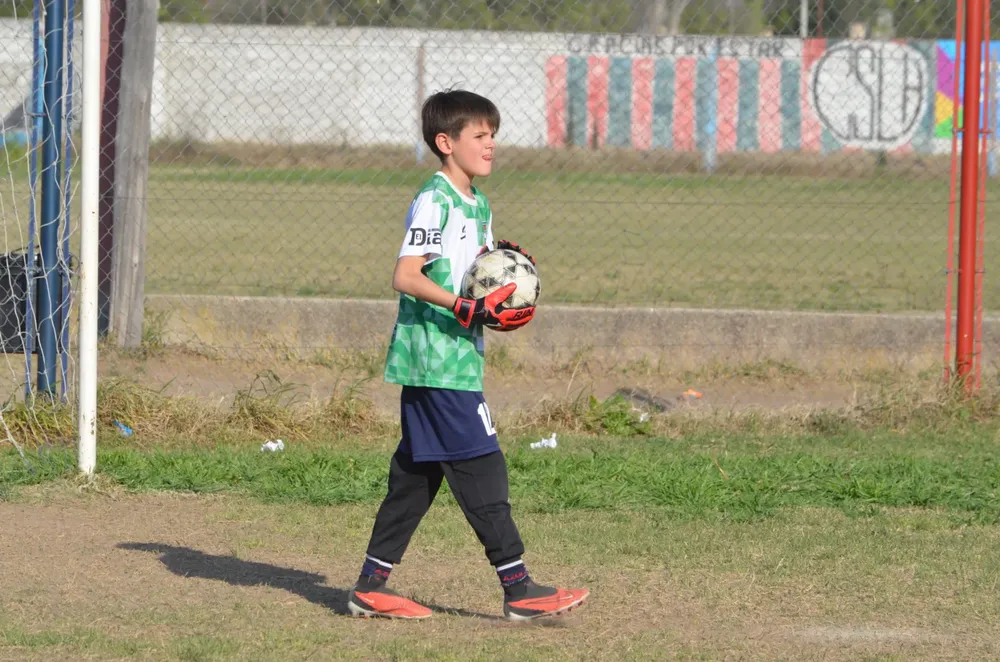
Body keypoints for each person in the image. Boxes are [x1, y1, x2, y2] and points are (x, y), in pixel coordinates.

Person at [347, 89, 589, 621]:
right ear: (445, 142)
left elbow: (473, 276)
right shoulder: (435, 198)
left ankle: (370, 585)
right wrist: (464, 306)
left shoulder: (478, 203)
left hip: (455, 356)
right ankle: (519, 588)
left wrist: (502, 279)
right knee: (484, 464)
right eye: (479, 135)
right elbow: (405, 276)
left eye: (493, 134)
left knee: (417, 475)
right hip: (435, 358)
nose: (490, 144)